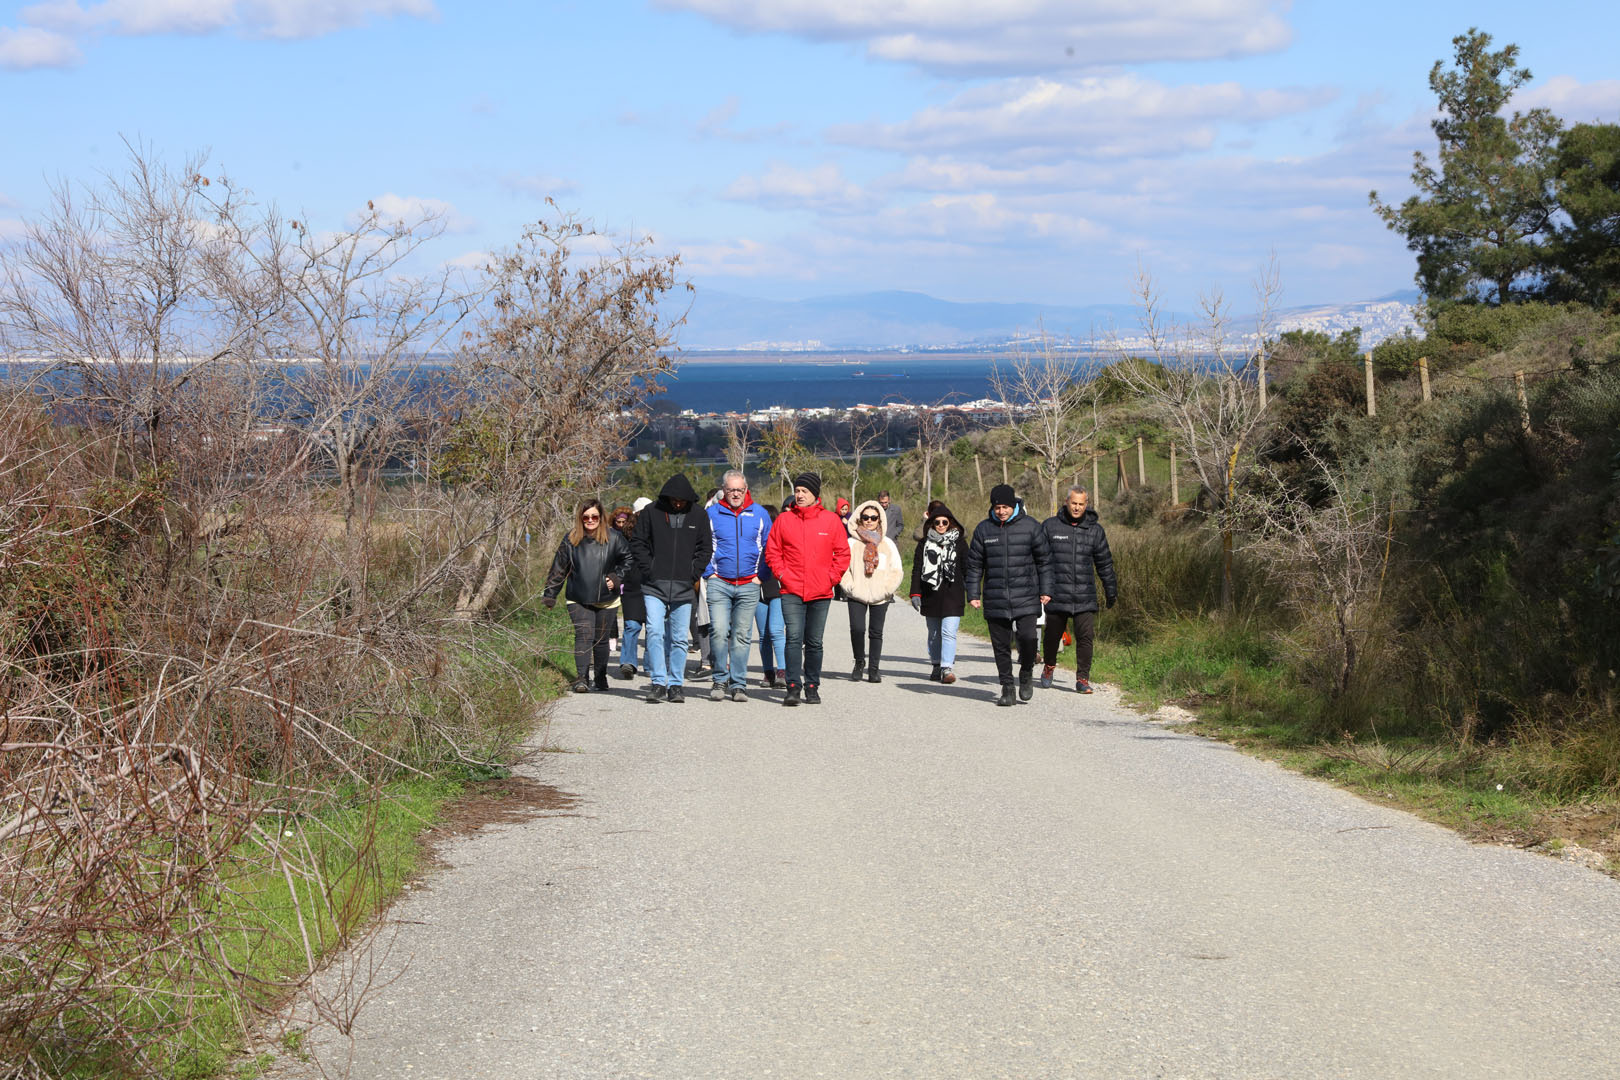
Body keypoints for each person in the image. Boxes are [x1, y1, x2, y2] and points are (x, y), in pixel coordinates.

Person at [764, 472, 850, 706]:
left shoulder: (830, 521)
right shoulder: (784, 520)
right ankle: (793, 687)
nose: (799, 495)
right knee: (792, 638)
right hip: (791, 590)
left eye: (804, 491)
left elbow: (843, 554)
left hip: (821, 592)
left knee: (814, 641)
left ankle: (812, 685)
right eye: (797, 491)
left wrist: (831, 579)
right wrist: (782, 575)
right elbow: (772, 552)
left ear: (815, 495)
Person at [964, 483, 1053, 707]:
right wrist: (973, 593)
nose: (1001, 511)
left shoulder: (1032, 527)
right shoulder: (984, 530)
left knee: (1028, 638)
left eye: (1005, 506)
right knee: (1000, 645)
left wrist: (1046, 589)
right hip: (996, 598)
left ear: (1013, 505)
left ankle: (1026, 672)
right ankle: (1007, 687)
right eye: (997, 507)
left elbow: (1044, 561)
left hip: (1026, 595)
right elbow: (974, 565)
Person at [630, 474, 713, 704]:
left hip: (684, 587)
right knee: (655, 632)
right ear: (667, 497)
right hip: (654, 585)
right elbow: (637, 542)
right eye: (674, 500)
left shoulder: (698, 515)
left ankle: (675, 684)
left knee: (679, 638)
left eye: (682, 500)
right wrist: (649, 568)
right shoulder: (651, 512)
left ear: (689, 499)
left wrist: (693, 573)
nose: (678, 503)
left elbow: (706, 548)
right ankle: (658, 682)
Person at [542, 499, 631, 693]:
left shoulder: (614, 537)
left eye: (594, 517)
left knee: (601, 639)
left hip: (607, 598)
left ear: (601, 517)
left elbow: (628, 559)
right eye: (586, 517)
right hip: (578, 597)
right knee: (584, 635)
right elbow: (559, 568)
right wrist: (550, 594)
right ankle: (581, 678)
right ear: (580, 518)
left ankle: (600, 676)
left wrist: (616, 577)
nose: (590, 520)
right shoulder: (571, 539)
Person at [1039, 486, 1118, 694]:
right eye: (1073, 503)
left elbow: (1104, 563)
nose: (1076, 507)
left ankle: (1083, 678)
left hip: (1085, 596)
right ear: (1066, 502)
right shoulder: (1050, 526)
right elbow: (1038, 559)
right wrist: (1039, 588)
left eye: (1081, 504)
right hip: (1057, 594)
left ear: (1087, 504)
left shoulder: (1095, 530)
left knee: (1086, 637)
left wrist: (1111, 590)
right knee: (1052, 637)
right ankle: (1049, 666)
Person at [704, 470, 771, 702]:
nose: (735, 494)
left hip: (749, 584)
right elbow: (701, 547)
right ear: (723, 489)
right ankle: (719, 679)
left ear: (746, 489)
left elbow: (769, 548)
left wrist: (761, 576)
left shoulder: (760, 514)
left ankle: (739, 684)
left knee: (742, 635)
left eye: (739, 490)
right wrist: (708, 573)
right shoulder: (712, 514)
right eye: (730, 489)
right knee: (719, 631)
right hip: (719, 582)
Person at [840, 499, 903, 682]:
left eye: (873, 517)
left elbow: (896, 570)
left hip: (880, 595)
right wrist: (849, 586)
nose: (869, 520)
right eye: (865, 517)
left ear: (879, 520)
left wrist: (887, 589)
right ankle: (859, 662)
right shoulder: (851, 543)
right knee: (857, 629)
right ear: (859, 519)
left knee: (876, 632)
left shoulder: (888, 544)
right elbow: (842, 568)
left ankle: (874, 669)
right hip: (856, 593)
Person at [909, 499, 969, 685]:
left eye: (945, 522)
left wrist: (974, 592)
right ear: (931, 524)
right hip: (930, 594)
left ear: (950, 522)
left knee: (949, 632)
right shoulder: (924, 543)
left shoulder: (960, 543)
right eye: (937, 522)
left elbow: (968, 569)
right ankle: (936, 664)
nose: (941, 525)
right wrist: (915, 593)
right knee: (934, 633)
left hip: (953, 594)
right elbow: (917, 569)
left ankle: (946, 668)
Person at [754, 504, 787, 688]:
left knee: (775, 630)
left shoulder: (779, 538)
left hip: (778, 589)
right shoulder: (754, 540)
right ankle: (768, 672)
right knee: (763, 635)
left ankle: (782, 670)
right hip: (758, 590)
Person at [610, 505, 644, 678]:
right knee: (632, 625)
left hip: (651, 586)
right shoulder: (622, 539)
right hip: (631, 587)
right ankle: (628, 662)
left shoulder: (656, 536)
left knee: (654, 629)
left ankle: (652, 664)